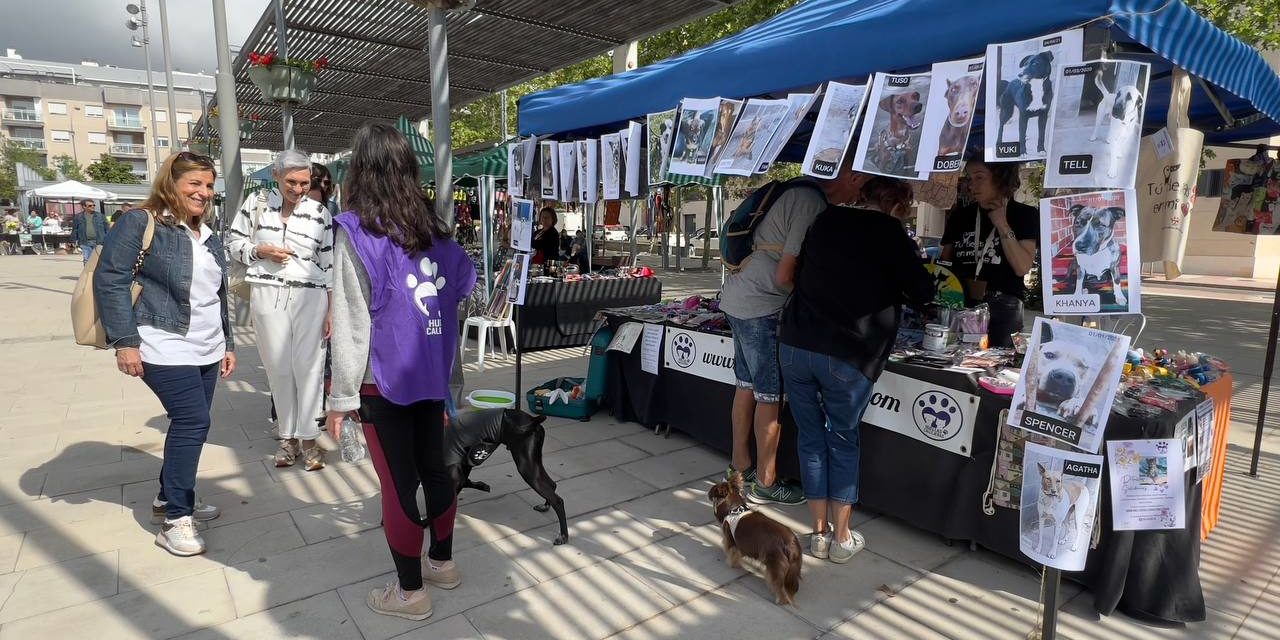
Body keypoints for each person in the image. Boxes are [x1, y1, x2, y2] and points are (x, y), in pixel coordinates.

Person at [327, 122, 476, 621]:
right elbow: (458, 299)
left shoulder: (355, 231)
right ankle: (443, 563)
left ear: (358, 171)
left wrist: (341, 397)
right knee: (435, 470)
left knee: (396, 484)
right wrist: (452, 381)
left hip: (381, 380)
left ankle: (410, 594)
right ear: (410, 171)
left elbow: (349, 320)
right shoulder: (438, 233)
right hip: (429, 375)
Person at [779, 173, 934, 563]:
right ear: (898, 205)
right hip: (847, 353)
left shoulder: (827, 219)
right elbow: (924, 292)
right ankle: (842, 537)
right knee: (843, 440)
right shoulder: (890, 232)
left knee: (811, 438)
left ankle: (817, 534)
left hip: (797, 343)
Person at [94, 151, 236, 557]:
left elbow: (217, 295)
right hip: (163, 340)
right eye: (194, 183)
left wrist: (227, 344)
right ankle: (175, 519)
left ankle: (166, 499)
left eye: (209, 186)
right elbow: (111, 280)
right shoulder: (142, 222)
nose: (203, 192)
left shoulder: (207, 233)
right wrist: (125, 342)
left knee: (190, 423)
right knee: (193, 420)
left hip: (206, 345)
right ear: (170, 182)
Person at [718, 173, 830, 506]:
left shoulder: (789, 190)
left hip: (738, 297)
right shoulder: (811, 201)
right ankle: (766, 482)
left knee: (745, 386)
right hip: (762, 306)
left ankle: (739, 468)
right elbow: (784, 276)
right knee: (770, 396)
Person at [228, 149, 334, 471]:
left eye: (304, 182)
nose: (298, 189)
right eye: (291, 181)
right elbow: (232, 243)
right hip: (268, 292)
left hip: (311, 295)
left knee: (311, 368)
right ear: (276, 176)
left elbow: (329, 263)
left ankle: (310, 438)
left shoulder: (319, 213)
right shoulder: (255, 204)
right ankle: (288, 438)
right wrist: (258, 250)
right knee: (278, 367)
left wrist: (331, 310)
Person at [940, 156, 1039, 347]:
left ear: (999, 177)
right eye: (968, 178)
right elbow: (946, 263)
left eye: (979, 177)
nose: (971, 185)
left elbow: (1022, 267)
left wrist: (1002, 224)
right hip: (962, 301)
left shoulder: (1024, 214)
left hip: (1004, 305)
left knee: (996, 369)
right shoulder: (960, 215)